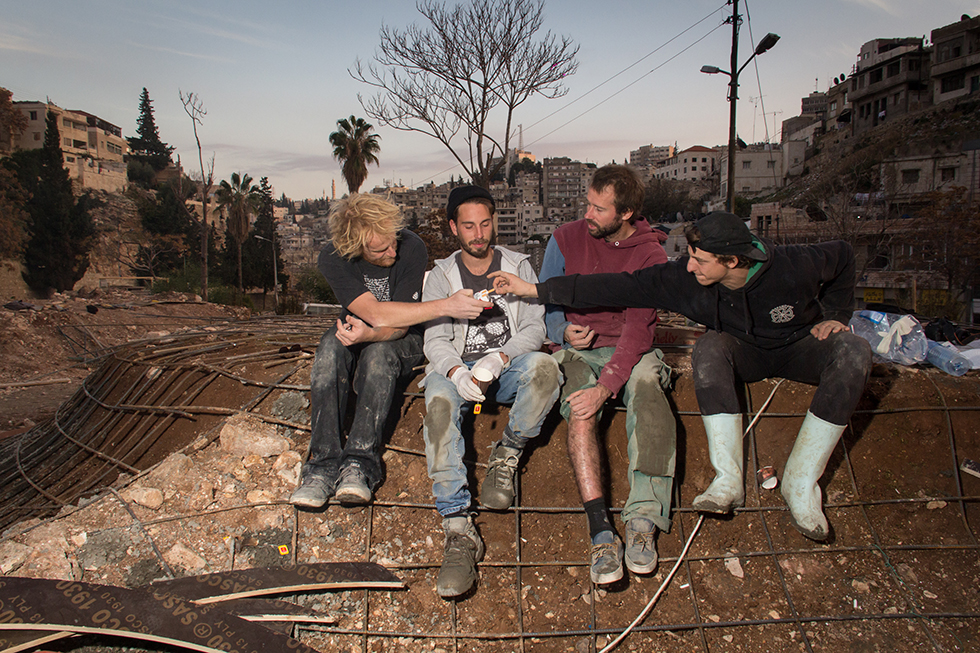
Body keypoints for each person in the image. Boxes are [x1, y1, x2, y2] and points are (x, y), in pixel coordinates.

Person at [490, 211, 873, 542]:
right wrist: (536, 289)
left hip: (799, 346)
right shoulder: (683, 278)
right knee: (708, 348)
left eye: (701, 260)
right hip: (744, 352)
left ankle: (801, 481)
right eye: (690, 255)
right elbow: (613, 285)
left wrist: (836, 315)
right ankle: (727, 479)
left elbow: (842, 255)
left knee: (854, 351)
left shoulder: (794, 264)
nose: (690, 266)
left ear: (734, 261)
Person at [290, 193, 491, 509]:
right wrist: (448, 305)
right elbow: (375, 313)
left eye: (392, 241)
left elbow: (395, 327)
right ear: (354, 248)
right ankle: (322, 466)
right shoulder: (332, 257)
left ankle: (360, 463)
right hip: (362, 323)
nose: (392, 251)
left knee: (379, 356)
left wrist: (371, 333)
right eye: (380, 249)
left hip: (405, 335)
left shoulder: (410, 246)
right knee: (329, 350)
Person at [538, 165, 675, 584]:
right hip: (579, 349)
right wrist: (562, 329)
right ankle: (600, 530)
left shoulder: (651, 255)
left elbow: (639, 328)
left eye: (599, 208)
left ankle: (643, 524)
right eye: (587, 203)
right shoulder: (564, 237)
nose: (588, 214)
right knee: (579, 408)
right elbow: (547, 298)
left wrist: (607, 387)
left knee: (650, 388)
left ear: (628, 212)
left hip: (630, 348)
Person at [421, 185, 560, 598]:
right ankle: (458, 528)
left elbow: (535, 326)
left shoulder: (517, 265)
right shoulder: (442, 276)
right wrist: (454, 370)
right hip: (458, 369)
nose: (478, 233)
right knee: (441, 404)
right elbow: (434, 338)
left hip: (506, 366)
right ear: (453, 228)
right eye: (468, 225)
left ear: (494, 220)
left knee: (545, 368)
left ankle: (509, 453)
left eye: (485, 223)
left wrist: (500, 357)